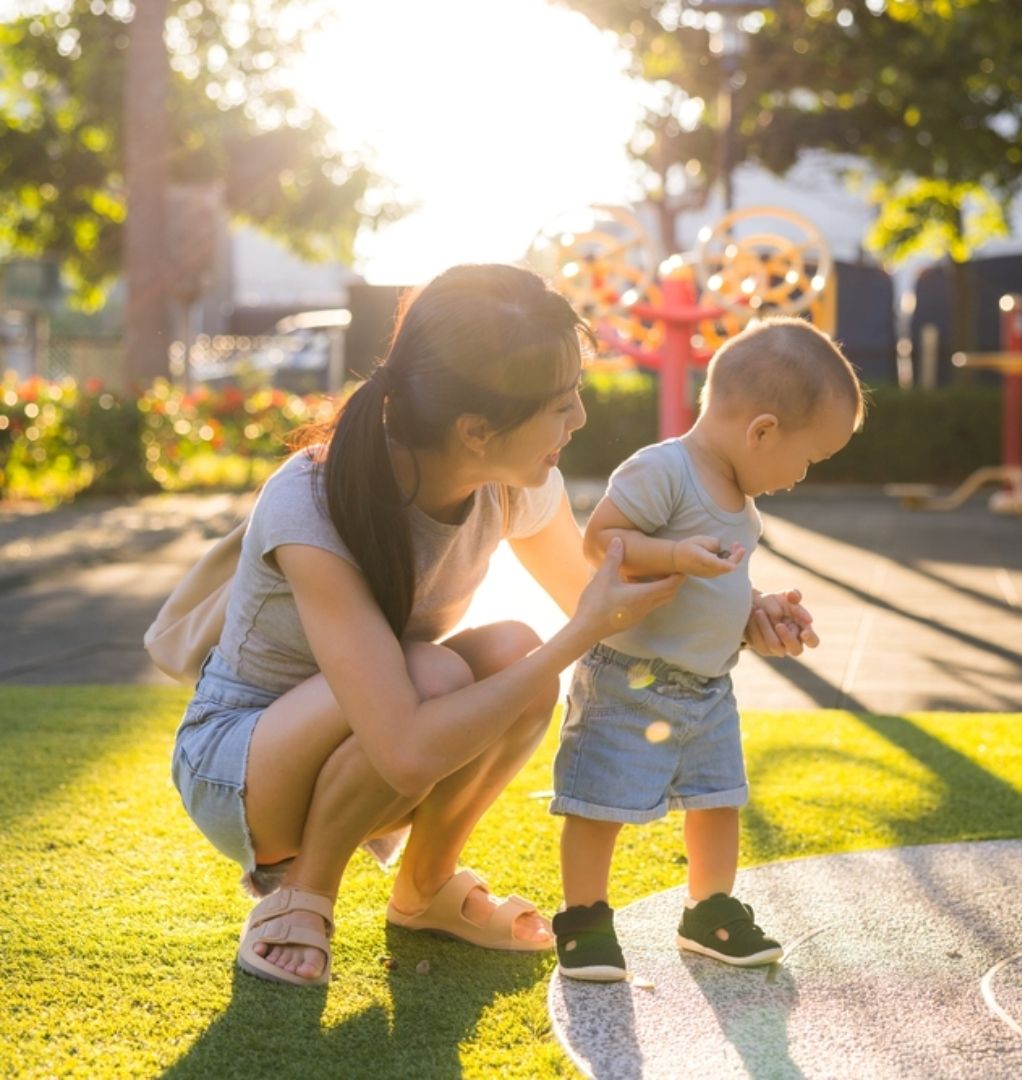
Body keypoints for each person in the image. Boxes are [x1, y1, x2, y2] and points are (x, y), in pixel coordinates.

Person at [171, 263, 684, 987]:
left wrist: (747, 614)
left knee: (511, 651)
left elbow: (606, 598)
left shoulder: (513, 483)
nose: (579, 420)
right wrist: (575, 640)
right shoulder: (311, 503)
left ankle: (425, 890)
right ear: (474, 429)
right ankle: (302, 895)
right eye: (560, 404)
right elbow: (408, 753)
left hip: (372, 725)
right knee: (443, 672)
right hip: (239, 769)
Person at [550, 315, 867, 982]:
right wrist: (674, 556)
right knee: (597, 799)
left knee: (719, 798)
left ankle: (709, 910)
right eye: (808, 459)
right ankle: (583, 917)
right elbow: (600, 542)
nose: (801, 477)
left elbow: (724, 582)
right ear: (762, 432)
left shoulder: (743, 506)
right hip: (627, 681)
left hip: (708, 690)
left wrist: (757, 612)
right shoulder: (664, 469)